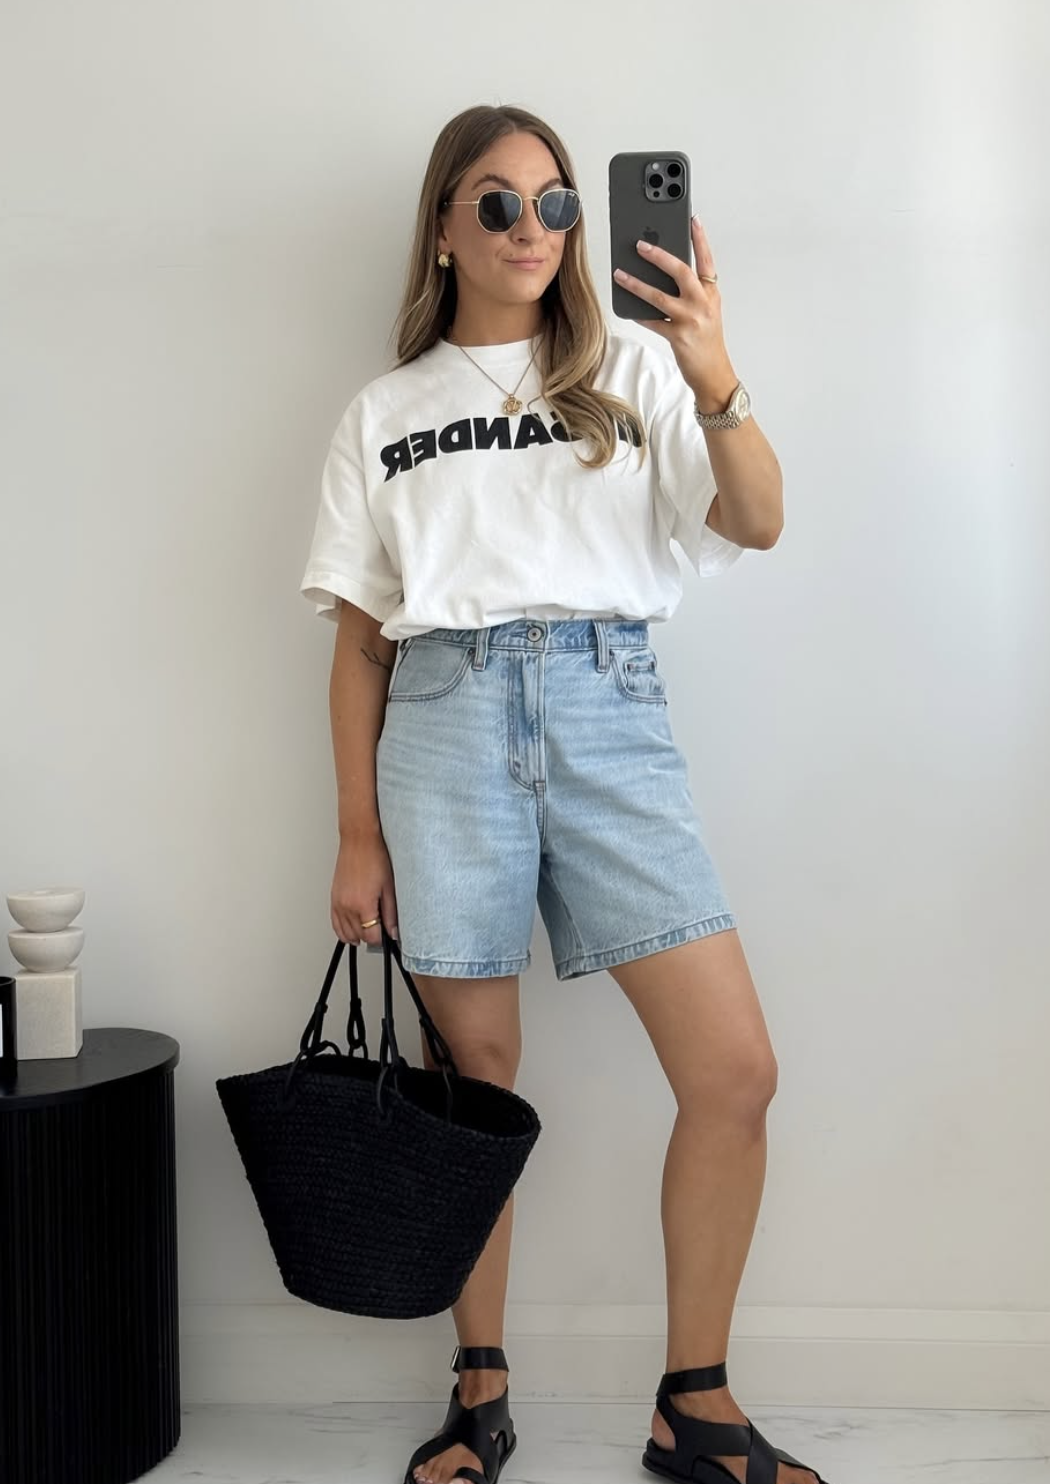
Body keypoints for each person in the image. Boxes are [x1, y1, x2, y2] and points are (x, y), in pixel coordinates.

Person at [300, 104, 827, 1484]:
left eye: (554, 205)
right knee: (471, 1083)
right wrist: (355, 833)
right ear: (442, 227)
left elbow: (758, 520)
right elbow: (360, 642)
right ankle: (480, 1389)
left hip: (610, 716)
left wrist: (715, 371)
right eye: (497, 203)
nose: (531, 229)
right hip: (443, 723)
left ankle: (694, 1404)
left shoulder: (635, 371)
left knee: (733, 1072)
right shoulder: (383, 413)